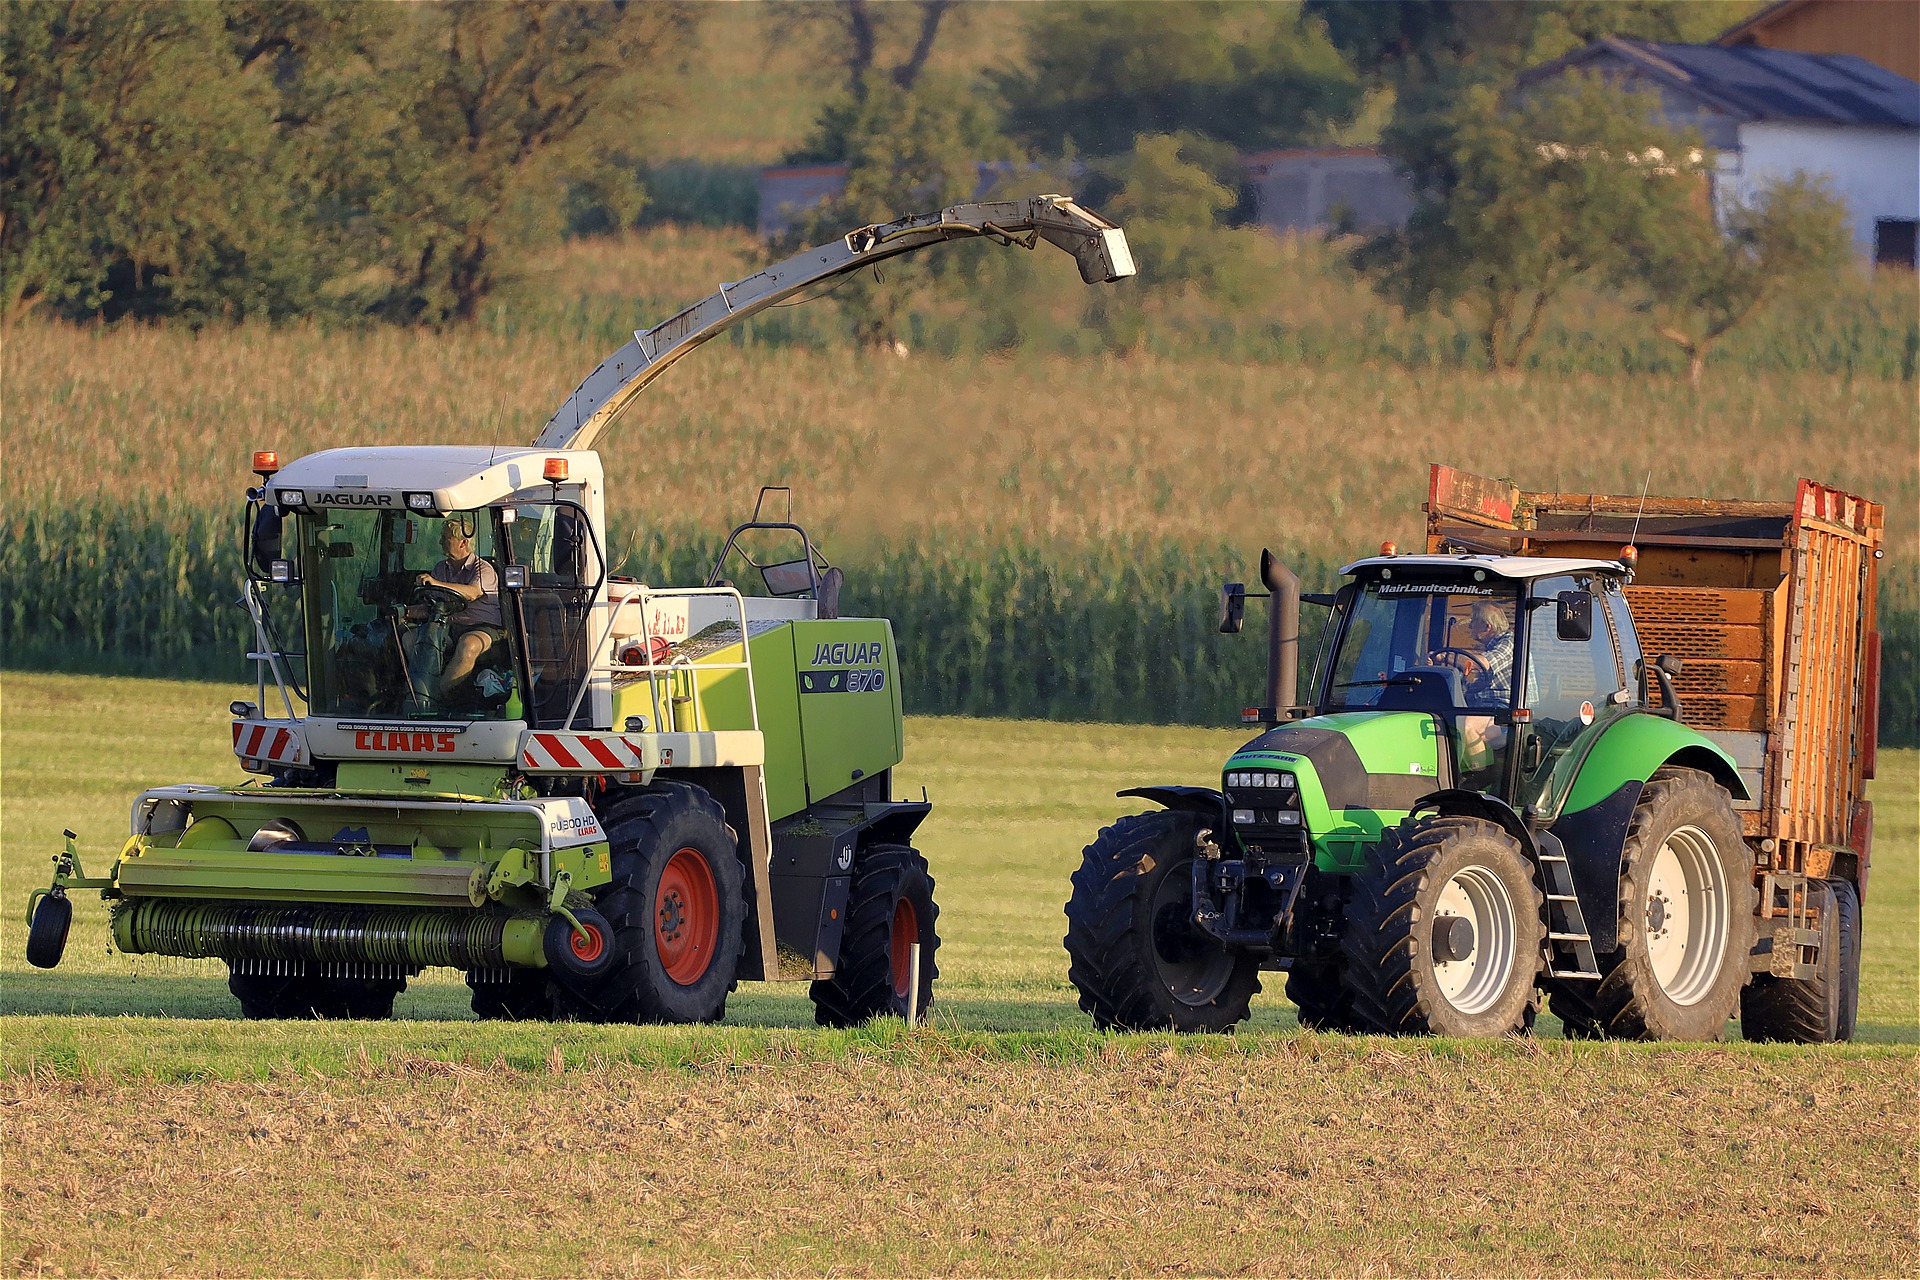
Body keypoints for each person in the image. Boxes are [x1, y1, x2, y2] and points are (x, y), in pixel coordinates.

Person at [416, 513, 503, 697]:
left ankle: (436, 695)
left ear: (463, 542)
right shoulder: (441, 568)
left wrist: (436, 583)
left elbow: (473, 592)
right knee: (412, 639)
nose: (440, 542)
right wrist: (405, 612)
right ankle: (417, 689)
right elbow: (432, 604)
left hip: (484, 627)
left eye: (446, 538)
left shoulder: (483, 569)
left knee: (468, 644)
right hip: (449, 625)